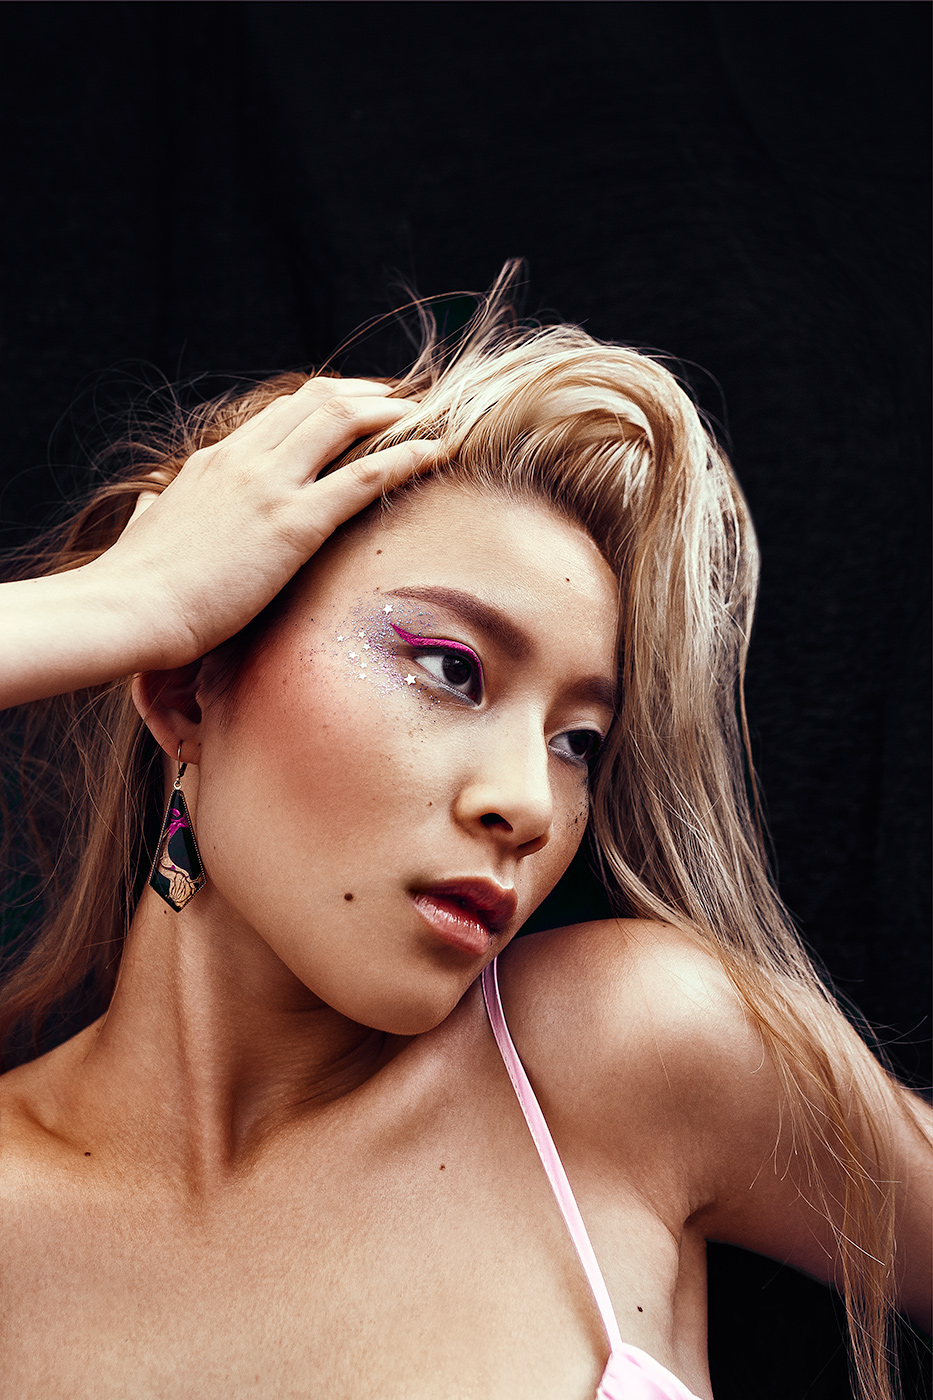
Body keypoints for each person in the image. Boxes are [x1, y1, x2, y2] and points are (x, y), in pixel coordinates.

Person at [0, 269, 929, 1400]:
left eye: (577, 740)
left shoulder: (626, 1057)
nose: (530, 806)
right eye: (450, 667)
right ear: (189, 684)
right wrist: (119, 605)